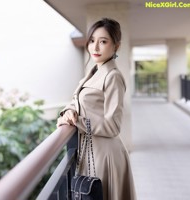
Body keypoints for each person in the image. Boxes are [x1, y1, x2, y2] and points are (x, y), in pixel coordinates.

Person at [57, 18, 137, 200]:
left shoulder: (113, 76)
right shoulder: (94, 71)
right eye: (92, 41)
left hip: (106, 156)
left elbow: (113, 126)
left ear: (116, 46)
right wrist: (68, 112)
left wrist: (76, 120)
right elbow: (78, 100)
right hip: (91, 152)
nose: (95, 47)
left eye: (103, 42)